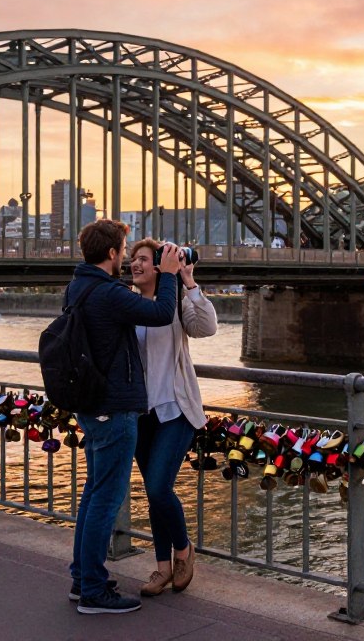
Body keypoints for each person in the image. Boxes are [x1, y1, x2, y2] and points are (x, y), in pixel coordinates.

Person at [67, 220, 181, 615]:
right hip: (114, 408)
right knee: (106, 499)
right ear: (114, 254)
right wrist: (168, 275)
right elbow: (164, 312)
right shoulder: (108, 293)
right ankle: (95, 592)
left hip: (92, 405)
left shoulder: (79, 286)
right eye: (125, 249)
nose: (127, 256)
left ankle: (82, 579)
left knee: (93, 494)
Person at [128, 238, 217, 596]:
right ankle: (162, 569)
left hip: (175, 409)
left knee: (158, 487)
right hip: (141, 413)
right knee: (154, 495)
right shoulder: (129, 305)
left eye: (144, 260)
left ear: (159, 266)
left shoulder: (177, 303)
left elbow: (206, 328)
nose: (135, 265)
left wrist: (189, 280)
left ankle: (184, 550)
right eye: (133, 259)